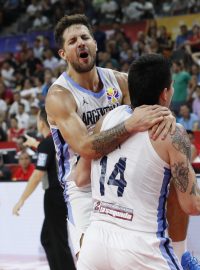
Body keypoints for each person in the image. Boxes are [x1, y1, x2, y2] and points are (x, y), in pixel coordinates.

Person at [45, 14, 176, 258]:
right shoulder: (59, 96)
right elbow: (86, 148)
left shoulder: (119, 80)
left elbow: (152, 109)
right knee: (89, 257)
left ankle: (179, 252)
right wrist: (128, 124)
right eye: (72, 41)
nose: (80, 43)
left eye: (85, 37)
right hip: (82, 186)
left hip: (118, 175)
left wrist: (165, 115)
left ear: (95, 43)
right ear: (63, 54)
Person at [76, 54, 200, 270]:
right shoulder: (172, 133)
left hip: (94, 244)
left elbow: (81, 178)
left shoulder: (106, 120)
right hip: (141, 248)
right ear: (165, 93)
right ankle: (181, 255)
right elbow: (192, 205)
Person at [12, 107, 76, 270]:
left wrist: (21, 200)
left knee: (57, 239)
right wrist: (36, 144)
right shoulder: (55, 140)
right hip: (62, 193)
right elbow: (49, 151)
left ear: (41, 122)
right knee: (47, 238)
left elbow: (37, 175)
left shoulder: (47, 144)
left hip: (54, 195)